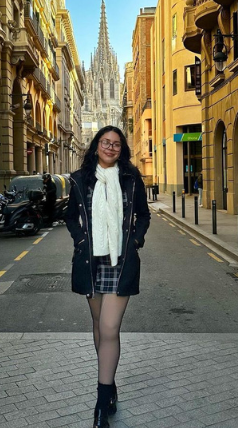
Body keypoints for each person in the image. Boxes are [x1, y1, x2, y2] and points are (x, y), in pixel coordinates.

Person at [65, 126, 150, 428]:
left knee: (110, 327)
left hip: (121, 260)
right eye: (106, 142)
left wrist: (136, 240)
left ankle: (101, 402)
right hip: (91, 261)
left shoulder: (130, 178)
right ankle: (110, 383)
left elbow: (144, 215)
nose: (111, 148)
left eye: (116, 144)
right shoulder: (79, 179)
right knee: (99, 327)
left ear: (121, 149)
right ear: (97, 145)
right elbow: (69, 216)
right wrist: (79, 240)